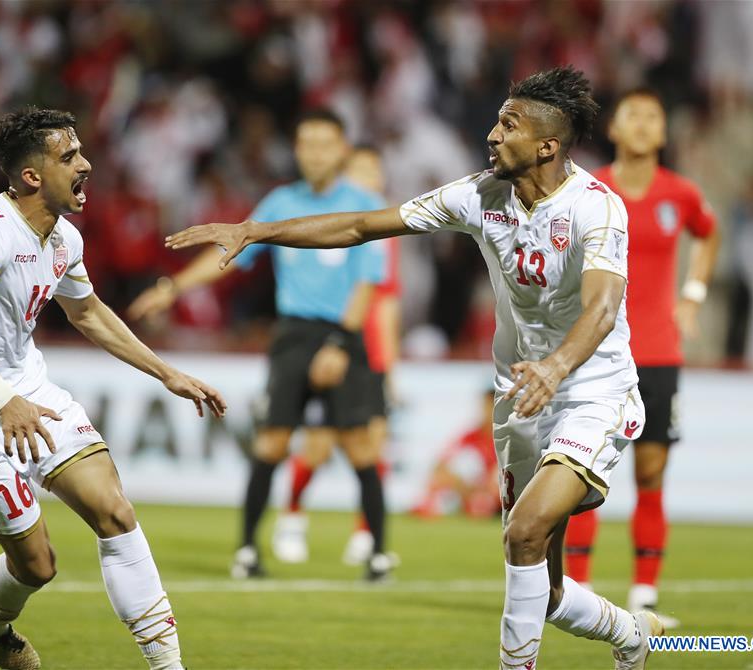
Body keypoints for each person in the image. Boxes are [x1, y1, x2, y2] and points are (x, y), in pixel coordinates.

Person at [165, 66, 664, 669]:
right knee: (547, 589)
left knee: (523, 530)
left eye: (509, 125)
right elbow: (359, 225)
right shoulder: (480, 195)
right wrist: (255, 231)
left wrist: (557, 367)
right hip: (520, 395)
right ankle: (633, 636)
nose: (492, 134)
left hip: (588, 387)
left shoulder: (597, 208)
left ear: (547, 146)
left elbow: (605, 305)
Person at [0, 107, 226, 670]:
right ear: (31, 176)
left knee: (115, 512)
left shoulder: (64, 240)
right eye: (69, 156)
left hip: (31, 392)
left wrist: (167, 372)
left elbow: (88, 313)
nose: (86, 163)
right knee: (37, 565)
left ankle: (169, 667)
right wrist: (2, 398)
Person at [128, 110, 394, 580]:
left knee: (359, 446)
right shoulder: (280, 202)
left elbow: (367, 284)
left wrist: (339, 342)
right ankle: (248, 550)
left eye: (324, 143)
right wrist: (173, 288)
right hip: (292, 333)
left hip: (342, 334)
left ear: (342, 151)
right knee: (271, 443)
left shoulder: (364, 203)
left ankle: (377, 553)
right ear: (296, 150)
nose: (314, 152)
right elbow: (232, 254)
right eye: (306, 143)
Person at [564, 88, 720, 624]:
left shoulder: (681, 193)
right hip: (598, 349)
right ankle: (574, 591)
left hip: (657, 352)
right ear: (614, 128)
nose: (642, 124)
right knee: (579, 471)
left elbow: (708, 233)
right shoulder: (590, 189)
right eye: (632, 115)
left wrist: (693, 295)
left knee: (651, 474)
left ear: (663, 133)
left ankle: (645, 597)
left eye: (653, 116)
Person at [273, 144, 401, 566]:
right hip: (332, 348)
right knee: (318, 445)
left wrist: (390, 365)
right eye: (359, 171)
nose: (368, 180)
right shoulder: (335, 227)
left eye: (373, 171)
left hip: (371, 355)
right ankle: (292, 517)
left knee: (372, 447)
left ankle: (365, 536)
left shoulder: (388, 234)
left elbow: (387, 304)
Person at [411, 388, 499, 518]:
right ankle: (430, 506)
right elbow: (441, 462)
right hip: (472, 487)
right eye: (484, 406)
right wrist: (458, 480)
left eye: (489, 406)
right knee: (440, 477)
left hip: (498, 489)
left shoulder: (507, 438)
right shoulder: (471, 436)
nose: (485, 411)